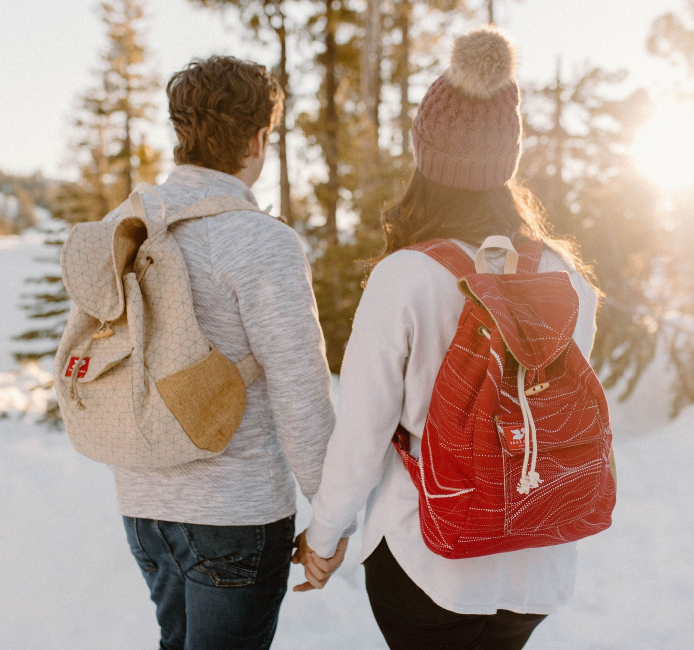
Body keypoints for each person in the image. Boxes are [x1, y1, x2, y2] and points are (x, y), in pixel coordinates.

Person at [291, 27, 601, 650]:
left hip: (428, 558)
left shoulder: (406, 276)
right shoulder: (567, 279)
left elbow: (362, 431)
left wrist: (322, 538)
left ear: (426, 159)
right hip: (534, 559)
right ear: (505, 161)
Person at [116, 56, 337, 650]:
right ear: (260, 137)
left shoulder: (130, 227)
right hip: (234, 514)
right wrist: (333, 513)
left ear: (181, 131)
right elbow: (299, 387)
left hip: (143, 505)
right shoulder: (260, 241)